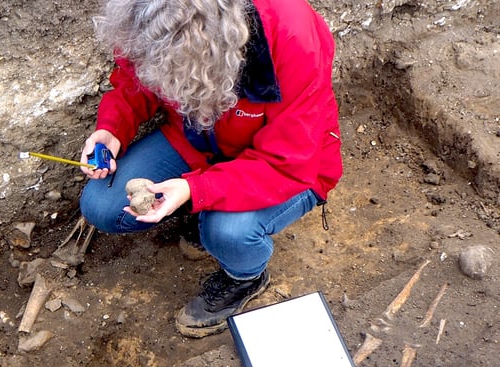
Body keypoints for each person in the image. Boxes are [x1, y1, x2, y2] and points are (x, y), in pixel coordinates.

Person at [78, 0, 343, 338]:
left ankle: (244, 277)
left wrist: (194, 190)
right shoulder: (151, 11)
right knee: (102, 205)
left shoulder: (291, 34)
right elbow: (136, 78)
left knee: (227, 232)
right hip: (198, 140)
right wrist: (113, 127)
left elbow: (287, 162)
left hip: (288, 165)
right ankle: (203, 212)